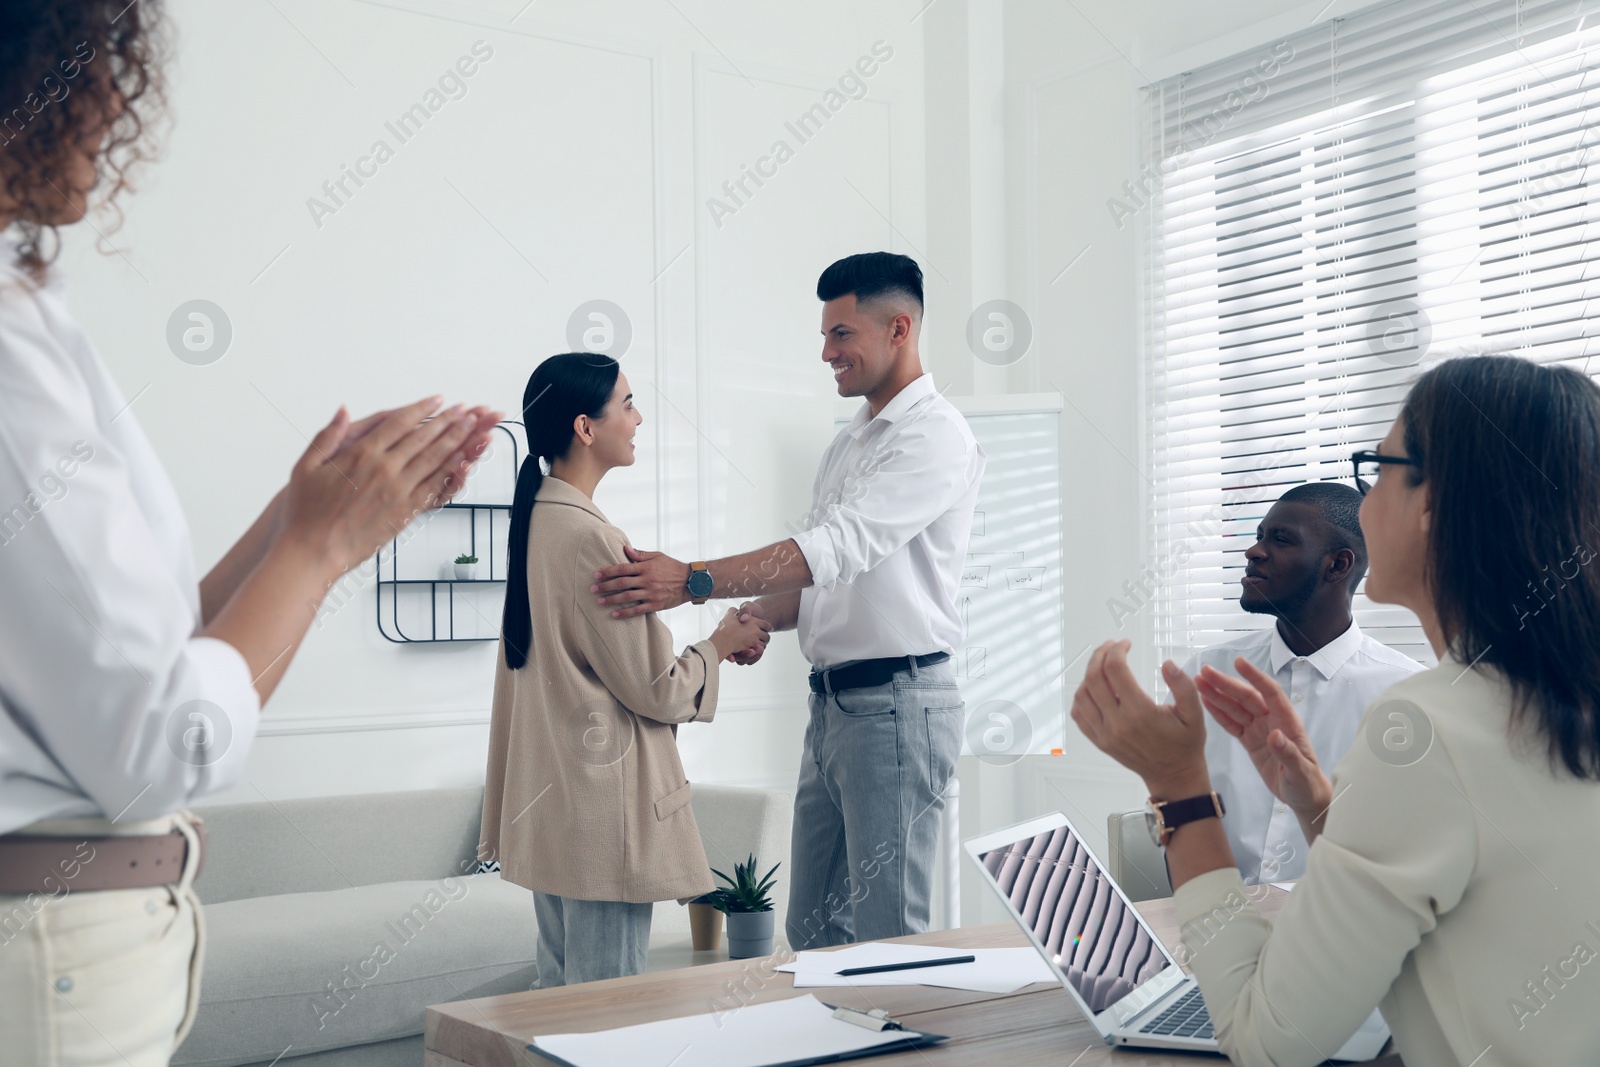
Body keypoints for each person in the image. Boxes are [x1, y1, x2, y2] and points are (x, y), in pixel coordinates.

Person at [0, 4, 500, 1063]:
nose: (116, 102)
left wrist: (307, 518)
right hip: (55, 964)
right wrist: (315, 548)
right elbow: (150, 747)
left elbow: (135, 656)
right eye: (95, 70)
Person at [1072, 354, 1600, 1066]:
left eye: (1377, 470)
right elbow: (1463, 915)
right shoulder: (1555, 702)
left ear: (1431, 507)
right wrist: (1322, 807)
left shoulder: (1426, 726)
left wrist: (1179, 788)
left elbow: (1266, 1043)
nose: (1367, 494)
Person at [589, 252, 986, 949]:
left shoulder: (936, 438)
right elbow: (820, 579)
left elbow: (835, 548)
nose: (827, 351)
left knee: (888, 935)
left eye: (841, 334)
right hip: (834, 706)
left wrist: (692, 577)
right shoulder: (850, 444)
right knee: (811, 930)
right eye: (826, 334)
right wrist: (751, 618)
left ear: (899, 328)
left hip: (897, 707)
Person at [478, 354, 768, 985]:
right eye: (629, 405)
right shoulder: (589, 538)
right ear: (586, 427)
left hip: (553, 815)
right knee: (610, 1019)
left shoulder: (536, 520)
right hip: (600, 820)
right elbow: (656, 691)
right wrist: (719, 642)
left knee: (562, 1008)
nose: (638, 420)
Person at [1171, 483, 1422, 884]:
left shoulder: (1409, 697)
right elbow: (1178, 817)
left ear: (1338, 566)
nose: (1254, 552)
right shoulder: (1207, 675)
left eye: (1281, 540)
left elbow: (1414, 856)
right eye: (1258, 537)